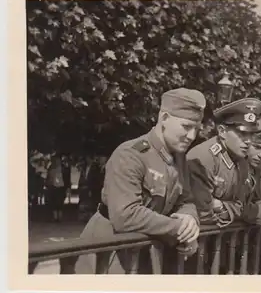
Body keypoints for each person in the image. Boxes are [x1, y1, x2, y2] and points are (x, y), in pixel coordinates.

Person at [76, 88, 205, 274]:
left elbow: (185, 200)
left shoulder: (179, 158)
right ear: (165, 119)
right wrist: (178, 229)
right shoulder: (130, 155)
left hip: (146, 252)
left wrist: (190, 219)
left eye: (197, 129)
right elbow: (125, 215)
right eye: (186, 127)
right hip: (110, 251)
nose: (192, 136)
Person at [187, 98, 261, 227]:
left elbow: (242, 206)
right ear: (222, 131)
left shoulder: (242, 161)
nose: (248, 141)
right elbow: (202, 213)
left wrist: (222, 206)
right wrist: (230, 209)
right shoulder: (203, 158)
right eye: (242, 134)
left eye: (251, 134)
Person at [45, 155, 68, 222]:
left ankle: (60, 217)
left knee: (60, 202)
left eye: (58, 160)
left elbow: (66, 179)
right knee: (54, 202)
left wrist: (67, 187)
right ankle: (55, 217)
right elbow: (48, 178)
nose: (57, 162)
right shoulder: (51, 168)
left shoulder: (64, 168)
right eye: (56, 160)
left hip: (61, 188)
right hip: (53, 187)